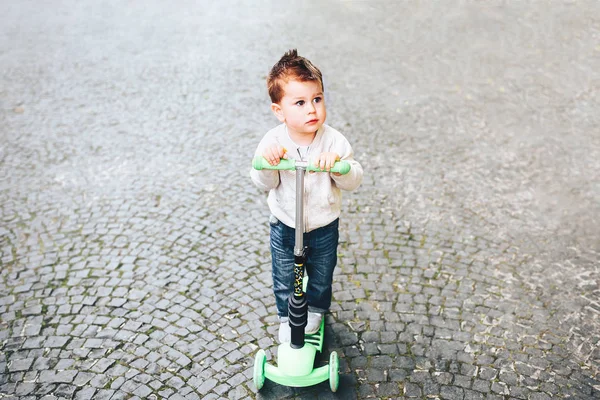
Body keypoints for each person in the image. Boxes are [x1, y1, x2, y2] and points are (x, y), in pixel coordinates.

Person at [250, 49, 363, 343]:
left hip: (323, 225)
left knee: (322, 274)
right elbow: (262, 179)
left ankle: (315, 309)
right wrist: (268, 162)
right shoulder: (273, 141)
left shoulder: (334, 141)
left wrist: (338, 167)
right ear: (280, 111)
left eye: (317, 99)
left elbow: (354, 178)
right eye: (299, 103)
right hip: (286, 224)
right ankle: (287, 317)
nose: (311, 109)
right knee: (285, 275)